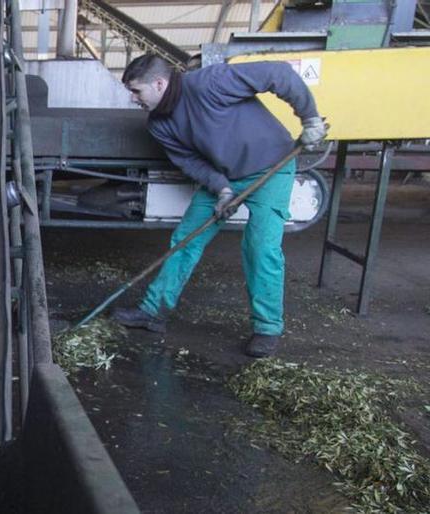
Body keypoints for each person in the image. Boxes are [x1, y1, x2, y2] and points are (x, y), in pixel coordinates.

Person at [112, 54, 327, 358]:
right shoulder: (158, 124)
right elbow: (190, 161)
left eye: (137, 91)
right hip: (226, 177)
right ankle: (153, 312)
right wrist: (221, 188)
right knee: (186, 239)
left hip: (272, 168)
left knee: (261, 246)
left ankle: (267, 328)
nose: (134, 99)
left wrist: (310, 118)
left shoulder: (210, 83)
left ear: (159, 84)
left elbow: (279, 74)